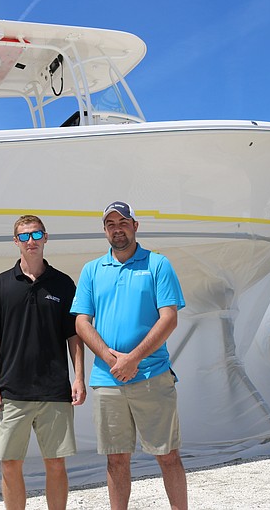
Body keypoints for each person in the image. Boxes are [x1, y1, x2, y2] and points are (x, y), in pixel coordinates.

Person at [70, 201, 188, 510]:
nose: (117, 228)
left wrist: (133, 358)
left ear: (135, 226)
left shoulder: (157, 264)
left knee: (167, 455)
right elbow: (81, 322)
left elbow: (169, 318)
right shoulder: (92, 270)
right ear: (105, 230)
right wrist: (113, 361)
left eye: (123, 222)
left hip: (152, 374)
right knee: (116, 458)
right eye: (110, 224)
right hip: (107, 380)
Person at [0, 214, 86, 510]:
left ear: (46, 238)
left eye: (36, 235)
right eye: (24, 236)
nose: (31, 242)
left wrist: (79, 378)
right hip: (12, 391)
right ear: (16, 242)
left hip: (54, 391)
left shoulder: (63, 284)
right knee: (10, 465)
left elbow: (74, 336)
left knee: (56, 465)